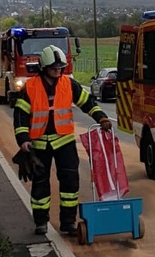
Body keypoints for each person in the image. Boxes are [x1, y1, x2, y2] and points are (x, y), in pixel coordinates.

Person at [13, 45, 112, 236]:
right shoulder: (30, 87)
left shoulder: (68, 84)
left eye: (60, 68)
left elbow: (87, 102)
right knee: (40, 184)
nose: (58, 71)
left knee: (70, 183)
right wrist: (23, 140)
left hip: (64, 142)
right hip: (39, 144)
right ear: (44, 67)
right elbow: (20, 116)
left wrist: (102, 118)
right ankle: (41, 222)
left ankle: (68, 222)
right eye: (54, 68)